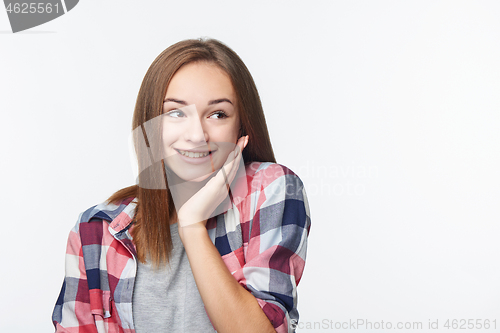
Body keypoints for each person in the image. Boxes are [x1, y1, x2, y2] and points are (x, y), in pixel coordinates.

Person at [52, 38, 311, 333]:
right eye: (176, 113)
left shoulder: (271, 189)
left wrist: (191, 226)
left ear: (242, 126)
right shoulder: (97, 228)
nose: (197, 135)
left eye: (218, 114)